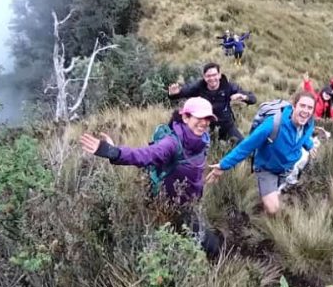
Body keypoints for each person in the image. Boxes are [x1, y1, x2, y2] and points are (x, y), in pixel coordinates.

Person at [79, 97, 215, 204]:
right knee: (209, 240)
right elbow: (146, 155)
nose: (204, 122)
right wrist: (115, 152)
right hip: (171, 207)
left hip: (192, 202)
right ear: (185, 117)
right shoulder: (172, 143)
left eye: (208, 118)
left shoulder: (203, 139)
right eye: (199, 117)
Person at [205, 90, 317, 215]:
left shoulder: (309, 123)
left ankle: (263, 209)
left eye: (310, 108)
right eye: (302, 106)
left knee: (273, 199)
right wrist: (223, 165)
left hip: (286, 169)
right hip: (266, 168)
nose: (306, 111)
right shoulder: (273, 124)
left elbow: (304, 136)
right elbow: (246, 146)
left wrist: (309, 145)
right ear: (294, 106)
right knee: (274, 209)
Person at [168, 62, 256, 144]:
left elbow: (252, 99)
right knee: (189, 147)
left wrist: (244, 97)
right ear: (204, 77)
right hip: (205, 126)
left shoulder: (228, 86)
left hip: (226, 125)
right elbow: (182, 93)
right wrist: (173, 94)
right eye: (208, 76)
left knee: (243, 147)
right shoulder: (199, 87)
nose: (212, 78)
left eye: (214, 75)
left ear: (219, 75)